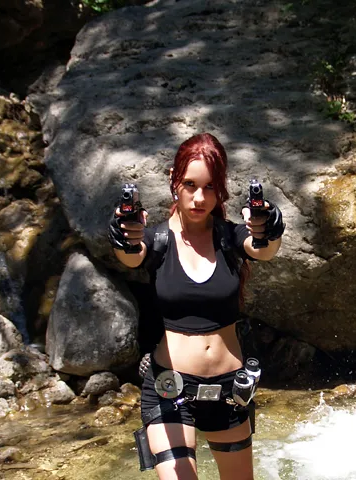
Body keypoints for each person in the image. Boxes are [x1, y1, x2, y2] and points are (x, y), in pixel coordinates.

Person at [108, 133, 285, 480]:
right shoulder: (156, 240)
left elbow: (262, 249)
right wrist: (124, 237)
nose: (199, 198)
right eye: (190, 185)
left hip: (230, 392)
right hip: (169, 388)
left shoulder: (229, 237)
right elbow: (132, 255)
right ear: (174, 181)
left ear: (221, 189)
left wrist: (269, 230)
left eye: (210, 187)